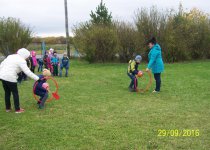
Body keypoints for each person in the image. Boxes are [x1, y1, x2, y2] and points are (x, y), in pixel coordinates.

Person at [0, 48, 39, 113]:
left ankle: (8, 108)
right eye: (27, 56)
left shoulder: (11, 56)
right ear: (25, 55)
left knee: (7, 93)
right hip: (10, 77)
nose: (27, 58)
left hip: (3, 77)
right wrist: (37, 78)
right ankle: (17, 109)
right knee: (15, 93)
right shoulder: (21, 60)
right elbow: (28, 72)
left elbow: (1, 65)